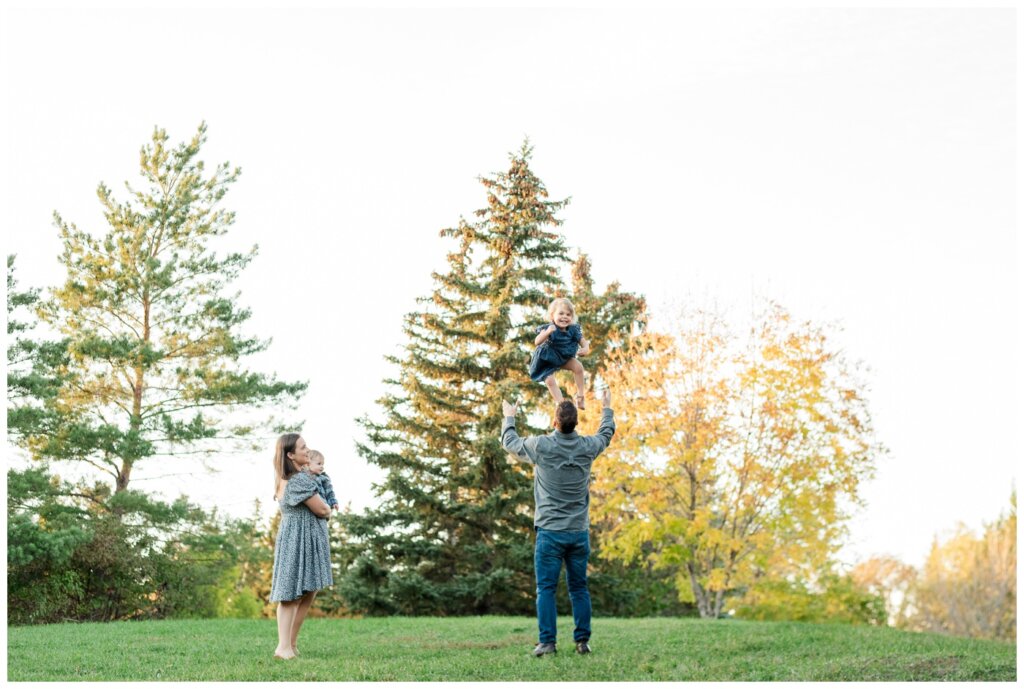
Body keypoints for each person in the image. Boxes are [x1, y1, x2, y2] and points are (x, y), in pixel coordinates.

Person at [501, 388, 615, 657]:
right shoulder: (587, 447)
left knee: (546, 589)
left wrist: (509, 417)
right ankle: (582, 642)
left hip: (550, 533)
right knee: (579, 588)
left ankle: (548, 643)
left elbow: (510, 442)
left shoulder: (541, 446)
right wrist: (606, 406)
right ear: (576, 423)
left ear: (555, 422)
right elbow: (606, 434)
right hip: (578, 533)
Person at [269, 433, 333, 660]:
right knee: (291, 594)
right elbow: (322, 509)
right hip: (298, 539)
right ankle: (283, 647)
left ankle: (291, 644)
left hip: (306, 538)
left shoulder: (292, 478)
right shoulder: (298, 480)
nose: (308, 450)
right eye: (303, 447)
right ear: (290, 455)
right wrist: (329, 509)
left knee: (307, 590)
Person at [528, 298, 591, 409]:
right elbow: (537, 341)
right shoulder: (549, 328)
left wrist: (585, 348)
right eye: (561, 313)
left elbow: (583, 342)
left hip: (563, 357)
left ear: (572, 317)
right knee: (550, 380)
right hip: (546, 359)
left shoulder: (573, 330)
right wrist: (547, 333)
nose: (564, 317)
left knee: (578, 367)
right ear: (552, 316)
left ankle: (580, 396)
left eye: (568, 314)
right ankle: (561, 405)